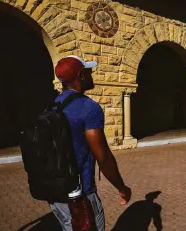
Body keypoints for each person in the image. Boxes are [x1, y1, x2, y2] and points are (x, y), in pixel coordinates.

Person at [50, 55, 132, 230]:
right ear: (80, 76)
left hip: (55, 193)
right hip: (81, 194)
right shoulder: (88, 108)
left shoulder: (52, 105)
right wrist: (122, 187)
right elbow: (102, 157)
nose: (92, 75)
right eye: (88, 71)